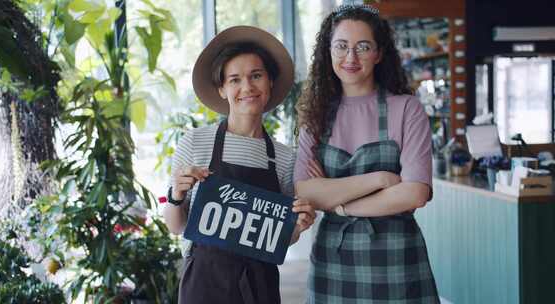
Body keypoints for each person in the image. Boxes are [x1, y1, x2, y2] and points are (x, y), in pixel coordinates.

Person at [294, 4, 440, 303]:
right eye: (341, 46)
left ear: (379, 53)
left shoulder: (406, 109)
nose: (350, 57)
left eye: (363, 46)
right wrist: (382, 178)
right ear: (328, 51)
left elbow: (414, 194)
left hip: (397, 261)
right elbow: (305, 191)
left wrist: (340, 206)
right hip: (332, 262)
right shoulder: (315, 115)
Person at [162, 25, 316, 304]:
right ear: (221, 88)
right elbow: (176, 225)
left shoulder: (283, 158)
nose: (247, 87)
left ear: (270, 82)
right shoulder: (195, 142)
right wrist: (176, 195)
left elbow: (279, 237)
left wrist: (298, 226)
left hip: (260, 285)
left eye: (256, 76)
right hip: (205, 284)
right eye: (234, 79)